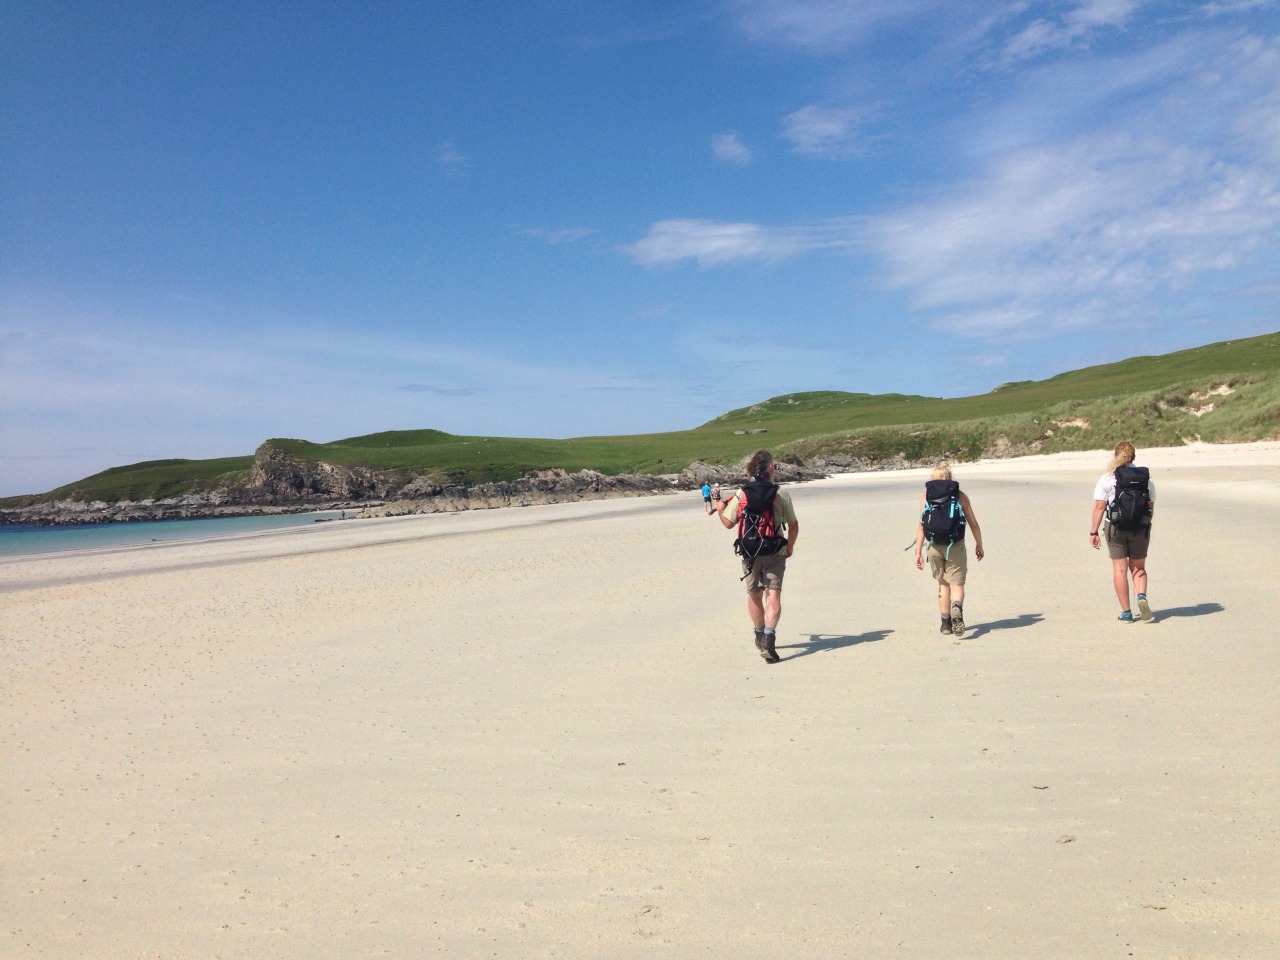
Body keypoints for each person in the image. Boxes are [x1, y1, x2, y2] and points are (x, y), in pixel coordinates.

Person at [715, 450, 799, 663]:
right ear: (770, 468)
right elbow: (793, 525)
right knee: (774, 594)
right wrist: (789, 546)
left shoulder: (742, 494)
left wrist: (718, 507)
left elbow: (728, 523)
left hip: (750, 552)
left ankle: (760, 634)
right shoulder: (780, 494)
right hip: (775, 550)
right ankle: (769, 637)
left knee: (754, 594)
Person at [913, 464, 984, 636]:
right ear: (950, 478)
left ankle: (945, 624)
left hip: (933, 546)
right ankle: (956, 607)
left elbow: (922, 526)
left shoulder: (926, 496)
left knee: (943, 584)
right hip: (956, 545)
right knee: (957, 584)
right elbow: (973, 524)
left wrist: (917, 552)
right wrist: (979, 544)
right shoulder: (960, 496)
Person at [1090, 441, 1156, 622]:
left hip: (1115, 527)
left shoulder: (1108, 478)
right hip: (1139, 528)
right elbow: (1150, 506)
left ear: (1115, 456)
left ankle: (1126, 613)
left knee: (1120, 569)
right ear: (1134, 457)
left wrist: (1093, 532)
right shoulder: (1146, 479)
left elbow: (1099, 507)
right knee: (1139, 568)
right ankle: (1141, 596)